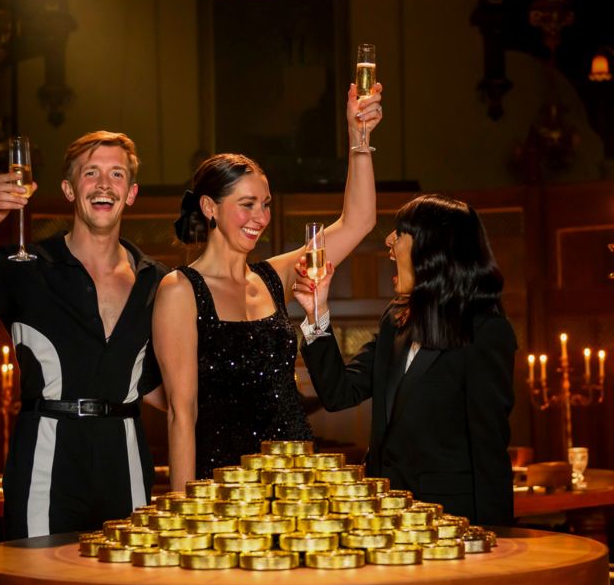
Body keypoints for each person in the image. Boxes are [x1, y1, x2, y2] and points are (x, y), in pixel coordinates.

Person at [0, 131, 168, 541]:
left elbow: (160, 387)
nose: (105, 184)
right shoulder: (26, 266)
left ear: (131, 193)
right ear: (70, 190)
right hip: (44, 456)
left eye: (116, 174)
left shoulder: (156, 281)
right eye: (91, 173)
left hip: (124, 459)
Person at [153, 83, 384, 488]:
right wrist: (183, 512)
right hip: (222, 489)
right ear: (210, 208)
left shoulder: (273, 276)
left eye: (266, 204)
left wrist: (359, 138)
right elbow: (181, 413)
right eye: (247, 204)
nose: (260, 217)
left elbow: (359, 221)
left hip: (296, 480)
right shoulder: (180, 290)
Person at [294, 195, 516, 526]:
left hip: (452, 524)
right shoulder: (395, 320)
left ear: (431, 250)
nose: (388, 240)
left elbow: (489, 450)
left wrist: (496, 537)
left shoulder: (486, 331)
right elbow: (339, 393)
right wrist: (316, 313)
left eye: (400, 232)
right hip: (385, 519)